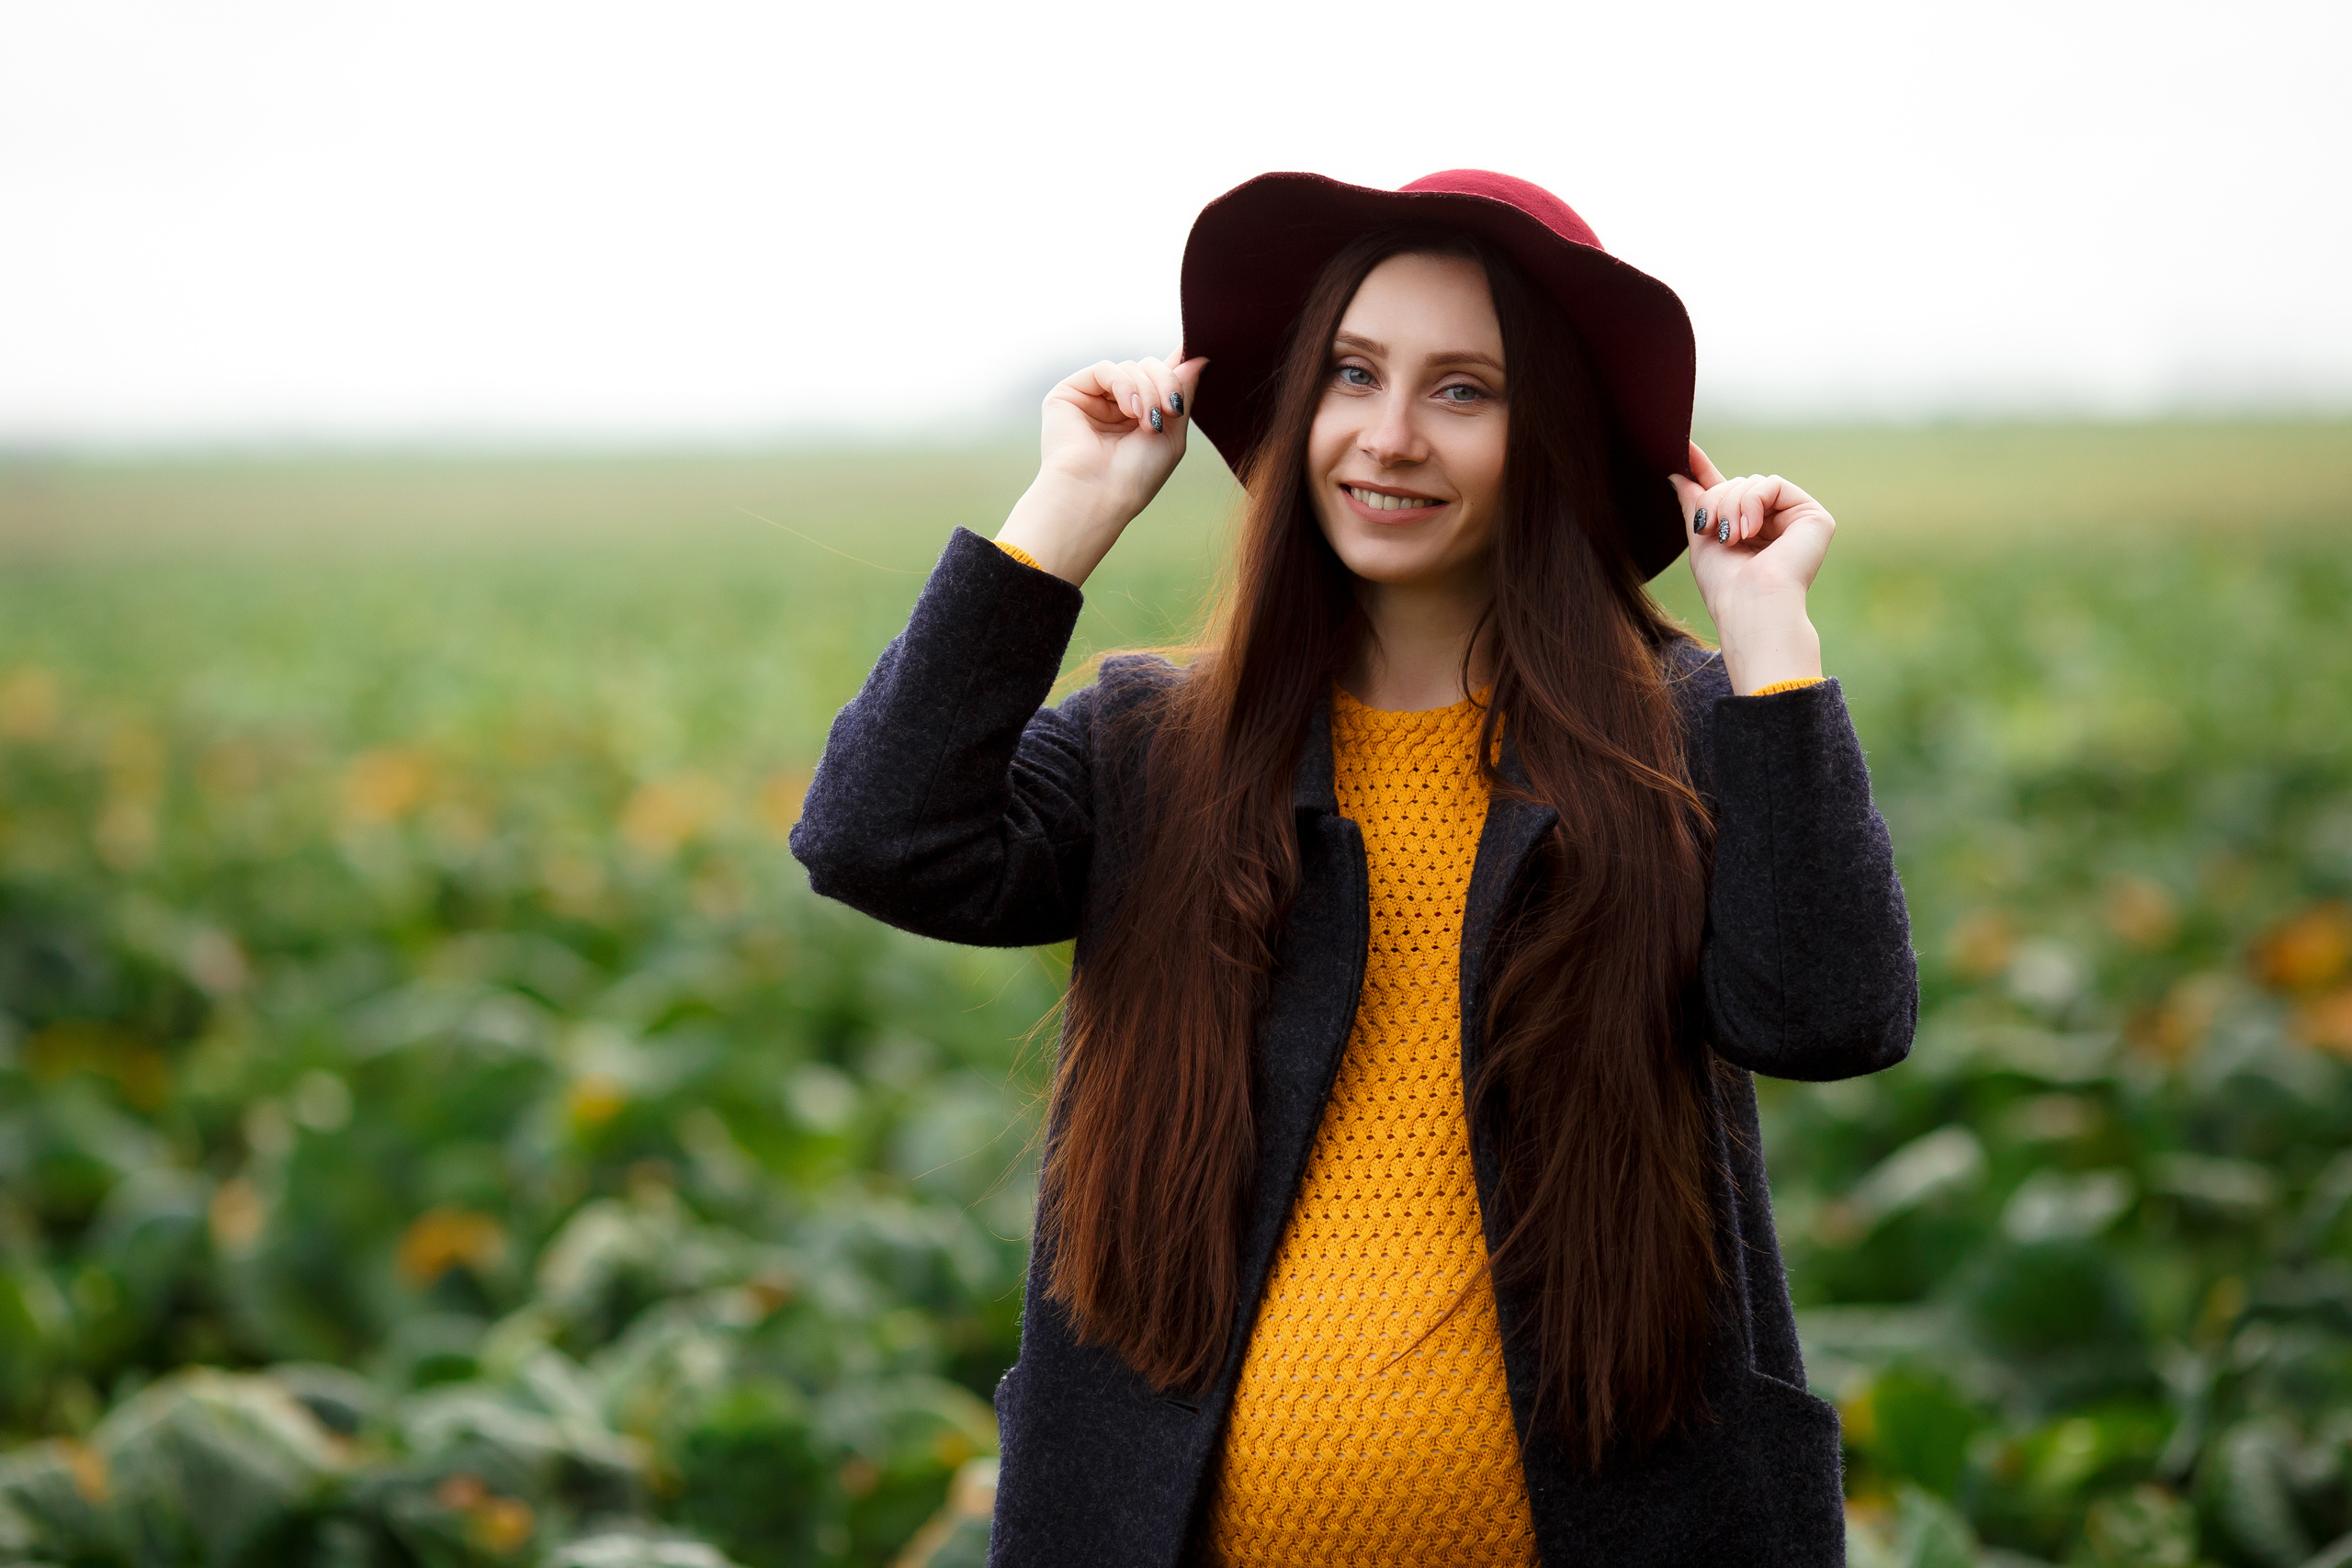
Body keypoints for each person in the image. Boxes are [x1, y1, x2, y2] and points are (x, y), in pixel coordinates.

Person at [791, 170, 1917, 1568]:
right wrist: (1067, 510)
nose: (1389, 437)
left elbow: (1829, 1016)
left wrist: (1769, 648)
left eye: (1464, 391)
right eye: (1352, 373)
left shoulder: (1675, 740)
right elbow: (876, 837)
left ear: (1551, 435)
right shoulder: (1158, 744)